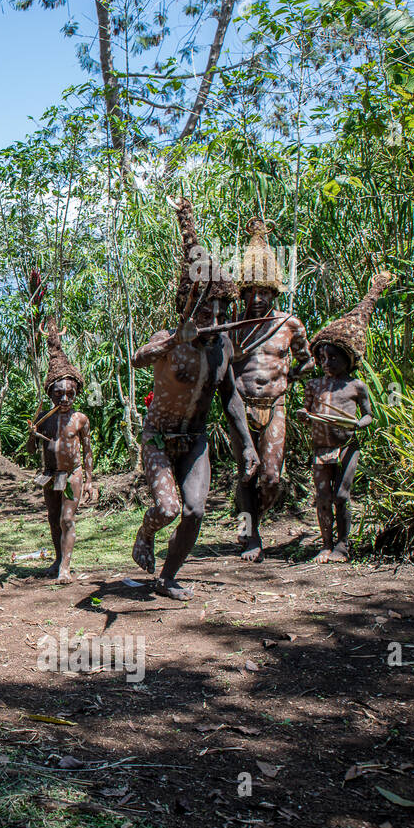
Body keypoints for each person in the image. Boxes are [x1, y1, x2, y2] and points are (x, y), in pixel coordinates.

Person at [131, 197, 259, 600]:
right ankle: (145, 533)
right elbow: (137, 360)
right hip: (157, 436)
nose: (215, 318)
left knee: (194, 510)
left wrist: (248, 448)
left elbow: (232, 401)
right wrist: (174, 340)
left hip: (195, 439)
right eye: (207, 310)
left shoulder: (223, 347)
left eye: (221, 309)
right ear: (191, 309)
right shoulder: (168, 340)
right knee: (167, 509)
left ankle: (168, 577)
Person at [229, 217, 312, 561]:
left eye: (264, 292)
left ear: (274, 293)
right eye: (252, 292)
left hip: (275, 405)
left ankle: (250, 522)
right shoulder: (233, 327)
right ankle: (252, 536)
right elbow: (220, 369)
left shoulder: (289, 324)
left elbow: (307, 362)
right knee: (247, 472)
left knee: (272, 477)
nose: (258, 298)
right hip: (241, 407)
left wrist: (289, 382)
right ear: (244, 294)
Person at [301, 272, 391, 562]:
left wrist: (357, 424)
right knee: (323, 498)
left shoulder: (356, 386)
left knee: (342, 496)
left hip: (346, 447)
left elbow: (368, 416)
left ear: (348, 358)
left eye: (334, 358)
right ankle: (325, 545)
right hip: (320, 449)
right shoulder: (313, 385)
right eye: (322, 358)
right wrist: (305, 415)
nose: (327, 363)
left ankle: (343, 546)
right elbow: (307, 412)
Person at [29, 317, 96, 582]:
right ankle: (58, 560)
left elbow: (88, 451)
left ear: (76, 392)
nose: (65, 399)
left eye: (70, 393)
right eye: (59, 394)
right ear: (50, 394)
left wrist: (89, 480)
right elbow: (31, 447)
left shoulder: (80, 419)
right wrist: (32, 434)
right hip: (50, 474)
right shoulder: (44, 418)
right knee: (54, 517)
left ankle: (65, 568)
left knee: (67, 519)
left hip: (72, 475)